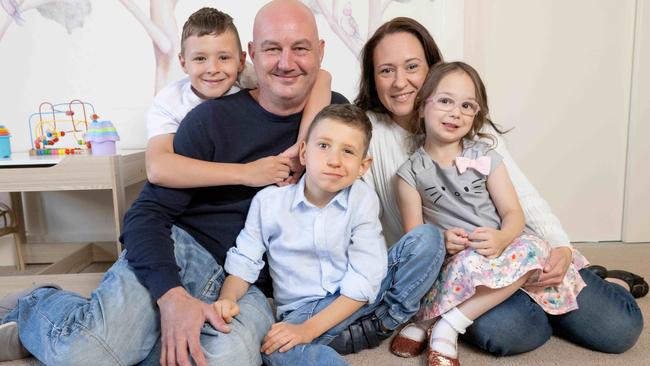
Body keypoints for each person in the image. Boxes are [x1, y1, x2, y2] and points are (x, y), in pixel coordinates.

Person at [0, 1, 346, 365]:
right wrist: (171, 295)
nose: (286, 62)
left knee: (222, 360)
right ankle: (38, 306)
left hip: (248, 286)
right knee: (86, 352)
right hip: (185, 252)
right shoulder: (209, 117)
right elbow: (145, 215)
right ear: (252, 55)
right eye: (273, 48)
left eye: (301, 48)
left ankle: (127, 336)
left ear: (321, 52)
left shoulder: (337, 123)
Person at [356, 17, 644, 359]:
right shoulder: (365, 134)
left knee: (620, 328)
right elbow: (375, 226)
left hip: (509, 247)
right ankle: (535, 295)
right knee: (514, 331)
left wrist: (560, 247)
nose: (400, 81)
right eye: (386, 70)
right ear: (373, 79)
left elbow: (520, 200)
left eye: (412, 66)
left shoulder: (468, 130)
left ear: (432, 70)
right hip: (459, 268)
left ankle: (598, 280)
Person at [213, 104, 444, 366]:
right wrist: (227, 299)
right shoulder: (268, 203)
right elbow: (244, 262)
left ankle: (388, 321)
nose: (334, 160)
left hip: (361, 303)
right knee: (274, 348)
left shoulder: (362, 197)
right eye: (323, 146)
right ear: (303, 152)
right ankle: (340, 345)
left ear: (363, 165)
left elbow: (366, 277)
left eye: (348, 151)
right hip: (304, 311)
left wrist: (308, 332)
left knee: (428, 238)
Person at [396, 61, 592, 365]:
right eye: (445, 101)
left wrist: (502, 238)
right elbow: (414, 236)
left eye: (467, 105)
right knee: (448, 274)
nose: (455, 112)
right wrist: (442, 239)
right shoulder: (410, 173)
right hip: (460, 257)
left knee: (532, 249)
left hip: (503, 248)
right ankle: (425, 321)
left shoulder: (486, 156)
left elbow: (514, 212)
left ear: (476, 115)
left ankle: (450, 324)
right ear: (421, 107)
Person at [145, 7, 333, 189]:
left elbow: (322, 77)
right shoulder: (170, 101)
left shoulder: (247, 76)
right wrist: (247, 173)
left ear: (242, 61)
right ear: (183, 63)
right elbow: (158, 169)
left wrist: (303, 143)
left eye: (224, 58)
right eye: (200, 59)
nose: (213, 69)